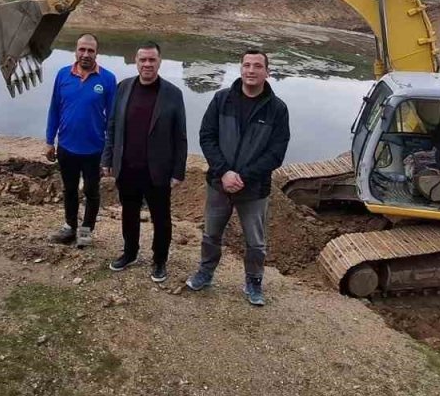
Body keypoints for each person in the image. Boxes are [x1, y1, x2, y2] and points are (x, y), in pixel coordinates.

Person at [186, 49, 290, 306]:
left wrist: (242, 176)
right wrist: (224, 172)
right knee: (211, 234)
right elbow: (207, 137)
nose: (251, 70)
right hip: (219, 184)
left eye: (257, 66)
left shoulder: (277, 109)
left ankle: (254, 282)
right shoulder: (222, 100)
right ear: (240, 69)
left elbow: (276, 153)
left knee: (256, 242)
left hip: (254, 189)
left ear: (268, 72)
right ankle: (205, 273)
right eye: (246, 65)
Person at [101, 41, 188, 283]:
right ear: (136, 61)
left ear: (159, 61)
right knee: (129, 214)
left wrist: (178, 171)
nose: (147, 64)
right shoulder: (123, 87)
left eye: (152, 60)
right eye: (143, 60)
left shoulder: (172, 94)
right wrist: (108, 157)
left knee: (161, 219)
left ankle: (159, 261)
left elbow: (180, 136)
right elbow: (113, 126)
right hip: (127, 168)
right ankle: (129, 253)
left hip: (157, 171)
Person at [45, 33, 117, 247]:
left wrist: (109, 154)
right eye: (82, 50)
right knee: (69, 190)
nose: (86, 54)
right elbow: (54, 109)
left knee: (92, 192)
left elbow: (112, 119)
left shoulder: (107, 79)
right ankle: (69, 227)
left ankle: (85, 233)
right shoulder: (62, 75)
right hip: (66, 147)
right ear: (75, 51)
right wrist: (50, 140)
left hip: (94, 150)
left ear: (97, 53)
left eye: (90, 50)